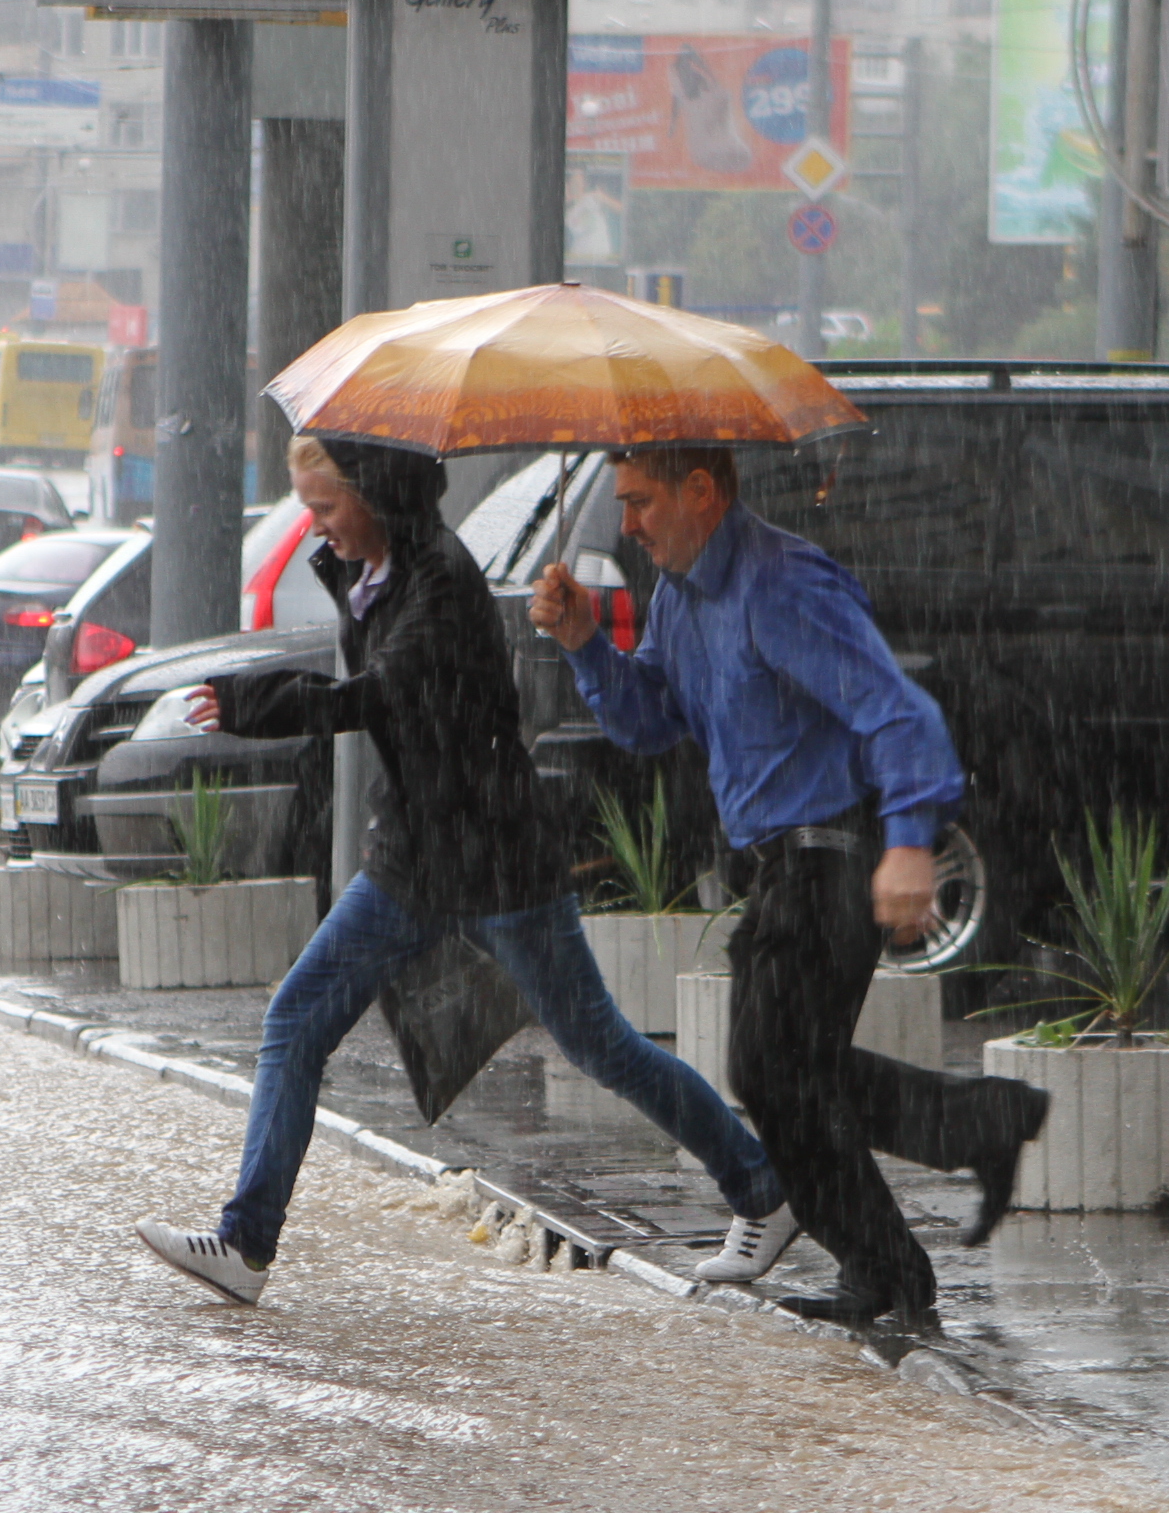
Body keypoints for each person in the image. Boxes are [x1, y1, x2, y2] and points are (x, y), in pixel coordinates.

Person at [134, 436, 799, 1305]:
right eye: (309, 509)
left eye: (327, 507)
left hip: (496, 865)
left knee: (601, 1046)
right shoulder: (377, 568)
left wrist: (253, 702)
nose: (317, 527)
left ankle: (763, 1192)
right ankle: (245, 1244)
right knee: (296, 1019)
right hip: (414, 859)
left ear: (375, 494)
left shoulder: (440, 584)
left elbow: (375, 696)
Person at [531, 446, 1050, 1335]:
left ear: (703, 492)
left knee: (771, 1072)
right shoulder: (680, 594)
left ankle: (890, 1261)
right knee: (791, 1075)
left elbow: (898, 710)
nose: (628, 524)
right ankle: (973, 1129)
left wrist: (912, 844)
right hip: (776, 865)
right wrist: (586, 642)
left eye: (641, 501)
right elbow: (653, 721)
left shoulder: (782, 583)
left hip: (833, 858)